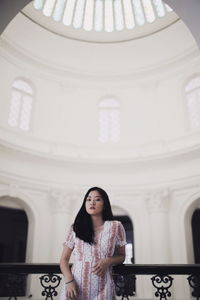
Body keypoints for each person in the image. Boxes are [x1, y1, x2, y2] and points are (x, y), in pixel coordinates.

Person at [60, 186, 127, 300]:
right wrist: (69, 281)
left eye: (97, 199)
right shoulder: (75, 228)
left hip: (103, 287)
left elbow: (122, 256)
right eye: (89, 199)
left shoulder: (116, 226)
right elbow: (63, 260)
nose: (92, 202)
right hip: (75, 288)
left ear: (104, 204)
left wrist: (108, 260)